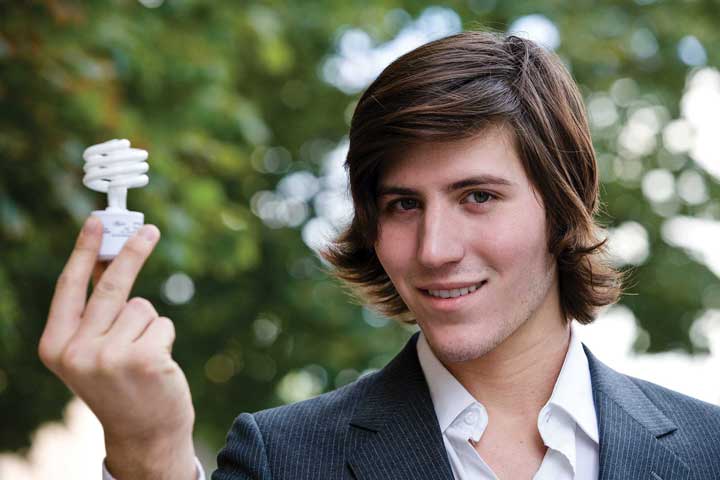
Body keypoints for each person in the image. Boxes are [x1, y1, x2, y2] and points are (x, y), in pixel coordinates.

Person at [39, 31, 720, 480]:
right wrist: (150, 453)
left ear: (562, 207)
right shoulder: (283, 459)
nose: (434, 249)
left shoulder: (707, 450)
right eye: (402, 205)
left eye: (478, 196)